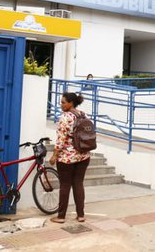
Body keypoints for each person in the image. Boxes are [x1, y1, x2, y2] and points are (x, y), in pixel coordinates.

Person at [49, 92, 91, 223]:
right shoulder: (84, 115)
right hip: (83, 155)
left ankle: (61, 216)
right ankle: (81, 215)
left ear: (71, 103)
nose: (61, 105)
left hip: (67, 158)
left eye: (63, 102)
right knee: (78, 183)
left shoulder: (65, 117)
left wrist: (54, 155)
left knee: (65, 185)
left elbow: (61, 140)